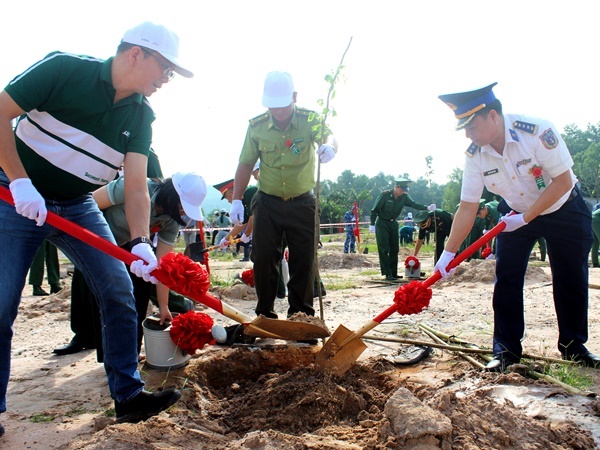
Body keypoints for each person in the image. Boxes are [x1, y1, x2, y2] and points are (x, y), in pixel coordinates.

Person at [0, 21, 194, 432]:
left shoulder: (140, 115)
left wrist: (141, 242)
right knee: (2, 303)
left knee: (119, 289)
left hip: (76, 205)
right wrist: (19, 180)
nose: (166, 78)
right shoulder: (64, 70)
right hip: (15, 194)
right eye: (165, 68)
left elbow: (138, 188)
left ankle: (128, 396)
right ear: (136, 54)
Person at [435, 82, 598, 371]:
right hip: (516, 214)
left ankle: (574, 347)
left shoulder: (536, 132)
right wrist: (448, 254)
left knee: (570, 276)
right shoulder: (475, 155)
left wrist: (525, 218)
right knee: (507, 277)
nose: (468, 134)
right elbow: (468, 206)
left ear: (493, 116)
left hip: (563, 208)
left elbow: (561, 182)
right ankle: (506, 350)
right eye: (465, 129)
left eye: (472, 126)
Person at [54, 172, 206, 360]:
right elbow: (89, 206)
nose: (183, 213)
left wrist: (164, 306)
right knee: (94, 291)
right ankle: (88, 340)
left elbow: (162, 266)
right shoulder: (133, 185)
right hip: (99, 239)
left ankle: (129, 353)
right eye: (183, 207)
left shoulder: (171, 220)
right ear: (172, 195)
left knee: (139, 291)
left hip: (136, 245)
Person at [229, 70, 338, 321]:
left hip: (303, 202)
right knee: (264, 258)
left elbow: (329, 135)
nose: (277, 112)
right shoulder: (256, 127)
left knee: (304, 260)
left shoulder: (310, 120)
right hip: (267, 202)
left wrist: (330, 146)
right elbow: (245, 164)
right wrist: (237, 199)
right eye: (272, 106)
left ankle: (301, 316)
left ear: (295, 97)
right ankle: (264, 314)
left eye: (282, 106)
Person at [369, 178, 435, 280]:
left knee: (394, 249)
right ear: (396, 187)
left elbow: (414, 204)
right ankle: (387, 273)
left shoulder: (403, 197)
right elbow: (375, 210)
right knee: (384, 248)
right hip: (382, 223)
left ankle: (394, 273)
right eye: (401, 190)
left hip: (393, 223)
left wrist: (427, 208)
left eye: (404, 190)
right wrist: (372, 224)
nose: (402, 192)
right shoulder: (385, 195)